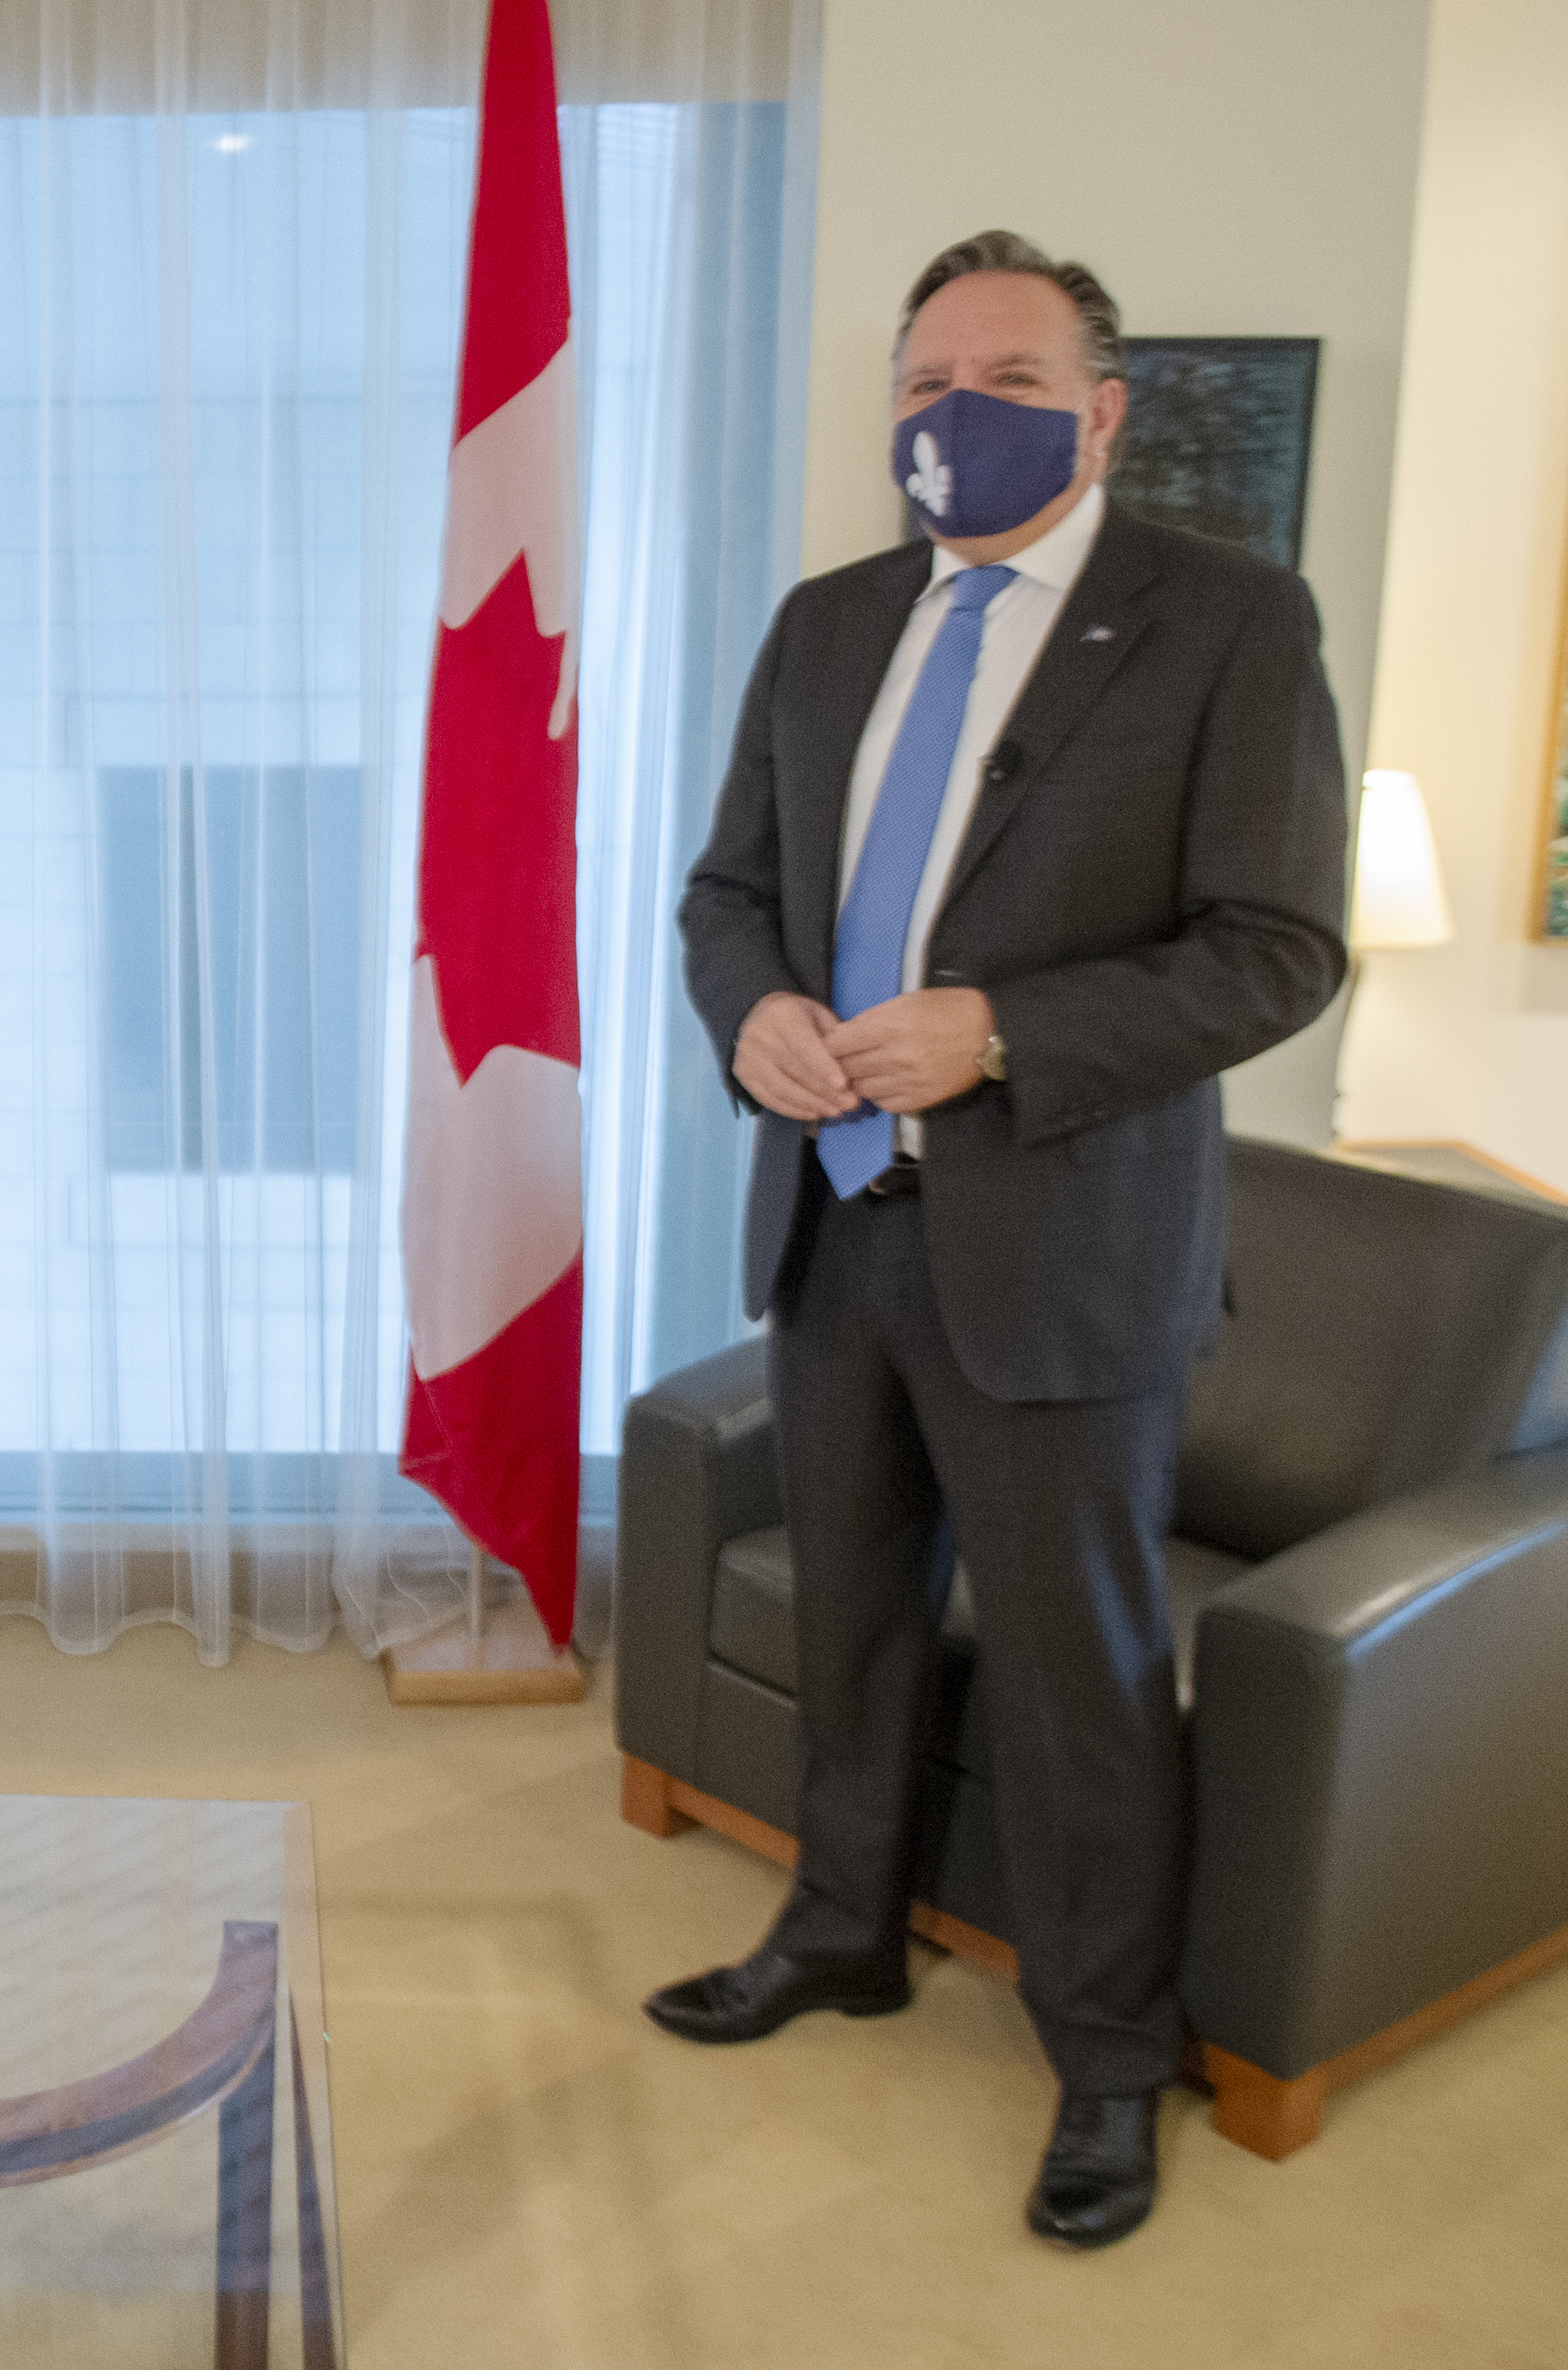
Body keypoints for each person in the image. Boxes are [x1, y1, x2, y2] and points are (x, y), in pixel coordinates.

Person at [659, 230, 1348, 2248]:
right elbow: (725, 893)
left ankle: (1110, 2061)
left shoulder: (1226, 620)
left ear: (1101, 409)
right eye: (923, 373)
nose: (953, 406)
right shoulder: (826, 618)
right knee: (852, 1621)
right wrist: (755, 1010)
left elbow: (1279, 948)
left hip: (1061, 1250)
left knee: (1075, 1677)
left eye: (1010, 374)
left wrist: (1006, 1030)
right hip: (835, 1220)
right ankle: (839, 1932)